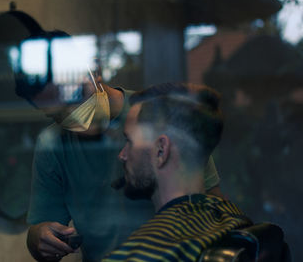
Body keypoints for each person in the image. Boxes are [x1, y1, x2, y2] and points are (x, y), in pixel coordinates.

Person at [16, 30, 223, 261]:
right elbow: (39, 236)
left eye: (72, 97)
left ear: (94, 70)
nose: (121, 156)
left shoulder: (158, 115)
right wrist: (39, 237)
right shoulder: (53, 145)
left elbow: (210, 207)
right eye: (56, 115)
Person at [103, 83, 252, 261]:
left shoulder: (139, 256)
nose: (122, 155)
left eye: (130, 141)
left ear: (161, 150)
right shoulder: (236, 221)